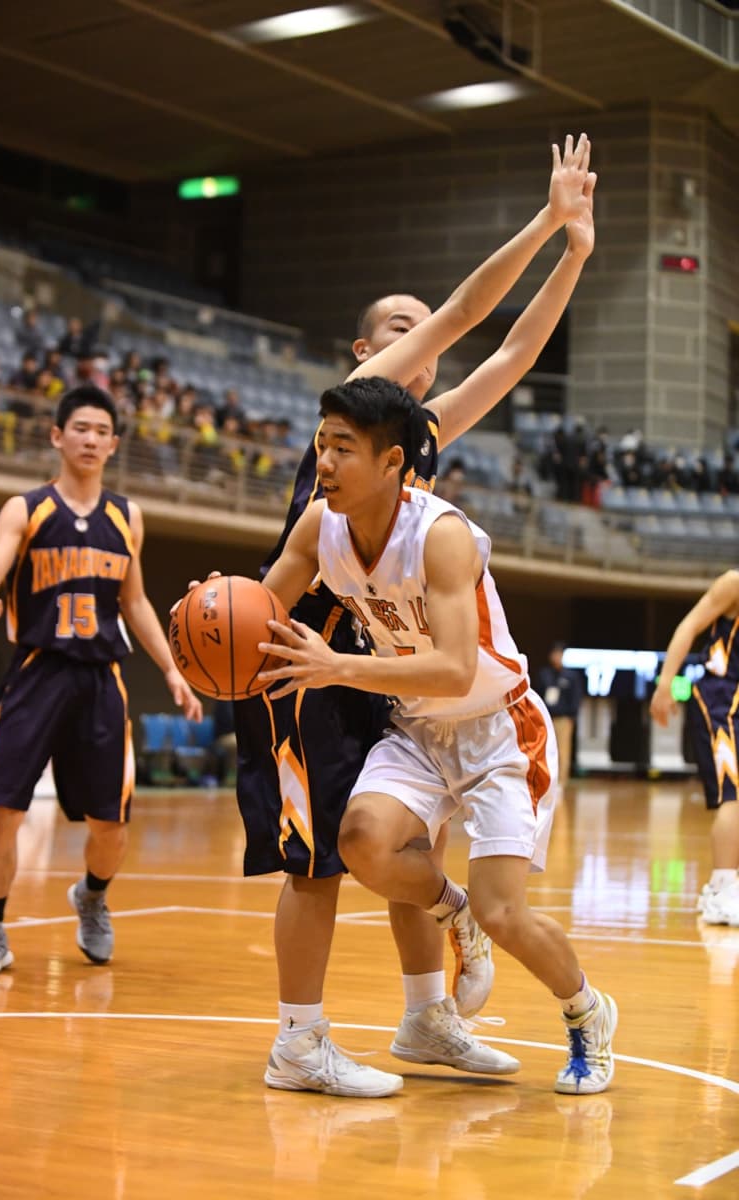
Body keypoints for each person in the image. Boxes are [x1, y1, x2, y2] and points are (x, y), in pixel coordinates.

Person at [230, 134, 596, 1097]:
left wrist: (577, 255)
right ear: (373, 352)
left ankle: (427, 1018)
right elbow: (477, 310)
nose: (427, 333)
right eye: (406, 325)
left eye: (422, 325)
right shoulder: (350, 429)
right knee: (321, 861)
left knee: (407, 845)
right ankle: (301, 1040)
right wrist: (550, 216)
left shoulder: (415, 450)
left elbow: (513, 350)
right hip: (301, 658)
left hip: (377, 671)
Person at [258, 376, 618, 1096]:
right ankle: (453, 912)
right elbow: (262, 606)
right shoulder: (317, 527)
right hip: (416, 726)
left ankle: (587, 1011)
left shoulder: (441, 535)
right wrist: (217, 613)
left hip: (497, 729)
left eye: (344, 449)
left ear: (393, 462)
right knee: (362, 841)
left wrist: (338, 666)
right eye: (321, 445)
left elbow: (455, 669)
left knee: (505, 911)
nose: (324, 463)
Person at [0, 383, 202, 978]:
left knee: (110, 820)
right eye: (81, 428)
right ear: (57, 435)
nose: (91, 439)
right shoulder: (27, 508)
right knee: (1, 809)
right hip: (36, 672)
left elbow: (137, 601)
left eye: (101, 431)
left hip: (100, 679)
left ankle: (92, 896)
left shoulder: (127, 515)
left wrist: (172, 667)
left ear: (114, 444)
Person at [649, 570, 739, 925]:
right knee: (733, 796)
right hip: (720, 700)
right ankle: (720, 889)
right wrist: (665, 684)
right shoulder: (733, 583)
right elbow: (688, 626)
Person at [536, 642, 583, 787]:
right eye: (554, 654)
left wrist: (572, 716)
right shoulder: (544, 675)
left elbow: (576, 696)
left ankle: (561, 782)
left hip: (563, 719)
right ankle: (545, 780)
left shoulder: (571, 676)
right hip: (546, 718)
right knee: (544, 750)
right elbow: (537, 695)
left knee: (563, 750)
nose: (557, 657)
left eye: (559, 654)